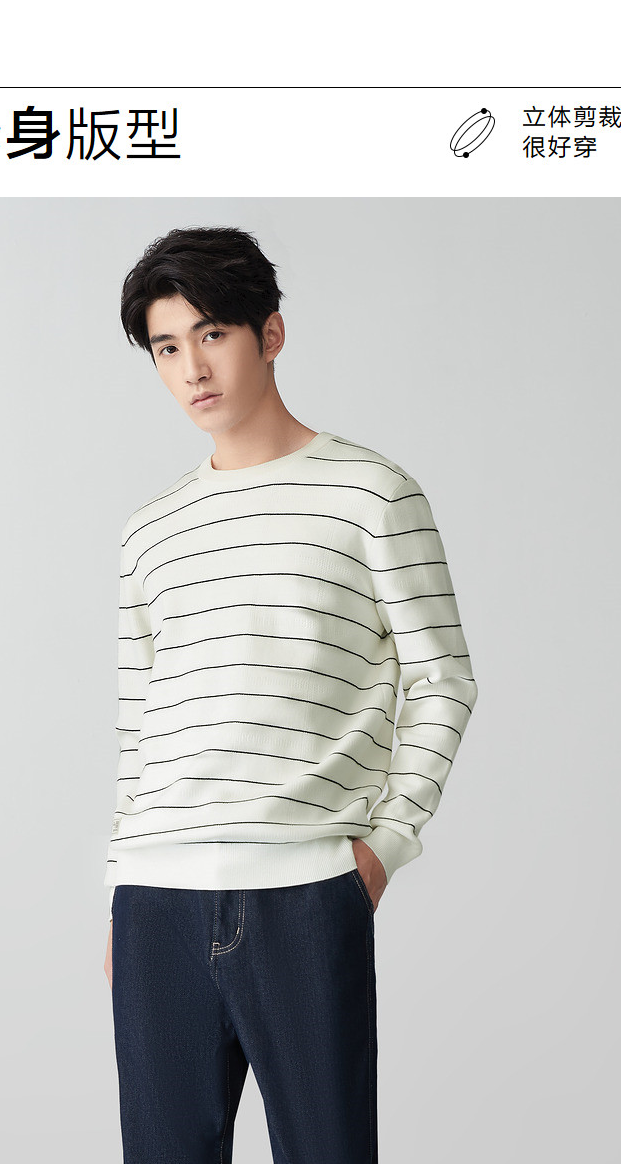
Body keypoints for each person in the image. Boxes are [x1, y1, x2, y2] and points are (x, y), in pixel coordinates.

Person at [103, 226, 479, 1163]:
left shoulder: (373, 495)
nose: (193, 368)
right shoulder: (150, 531)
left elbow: (443, 677)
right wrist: (120, 882)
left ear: (270, 333)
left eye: (212, 333)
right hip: (156, 899)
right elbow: (140, 724)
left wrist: (384, 847)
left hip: (304, 892)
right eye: (166, 347)